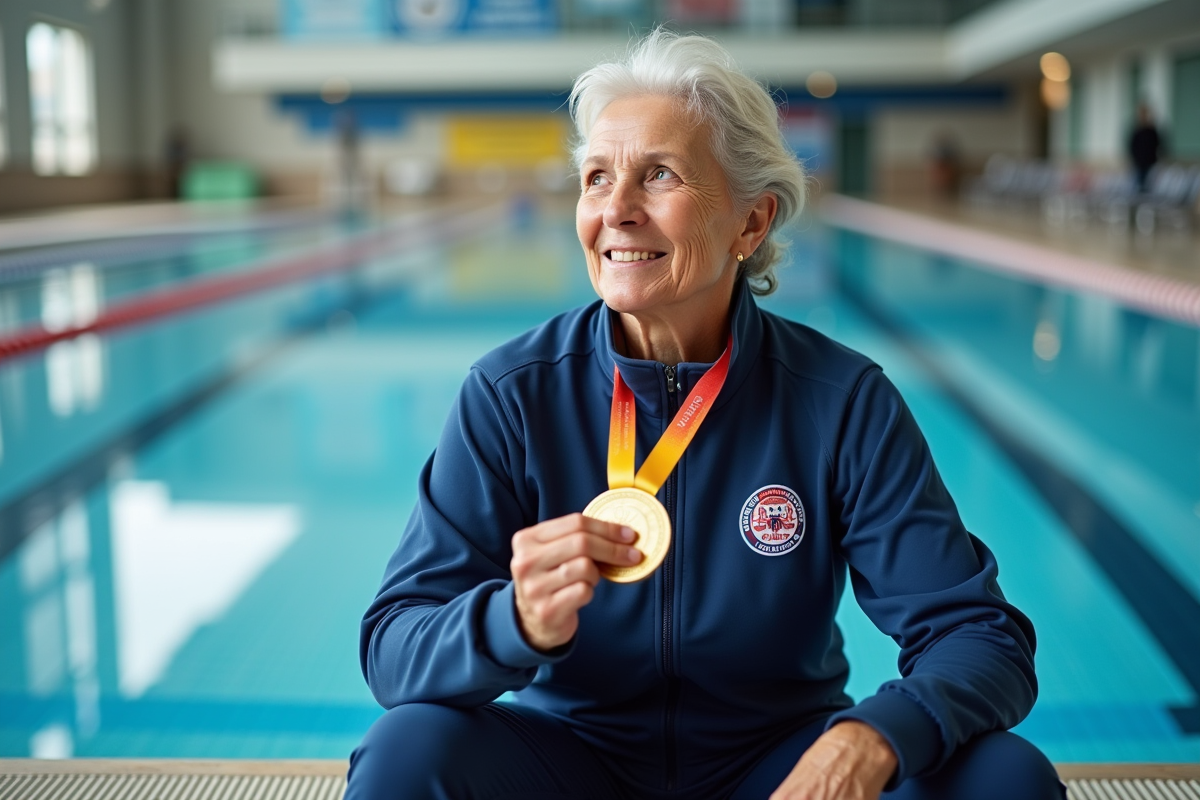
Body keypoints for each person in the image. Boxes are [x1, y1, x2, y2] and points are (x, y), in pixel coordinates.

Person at [346, 30, 1065, 800]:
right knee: (406, 750)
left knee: (1005, 777)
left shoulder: (839, 400)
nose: (616, 210)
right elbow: (394, 647)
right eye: (597, 178)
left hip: (779, 768)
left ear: (751, 223)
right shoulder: (514, 394)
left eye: (659, 175)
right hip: (571, 763)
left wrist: (875, 735)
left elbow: (977, 635)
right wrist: (511, 621)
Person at [1129, 102, 1164, 193]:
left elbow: (1158, 144)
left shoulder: (1152, 130)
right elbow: (1132, 146)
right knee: (1139, 184)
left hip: (1150, 161)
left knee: (1150, 184)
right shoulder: (1137, 130)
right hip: (1139, 162)